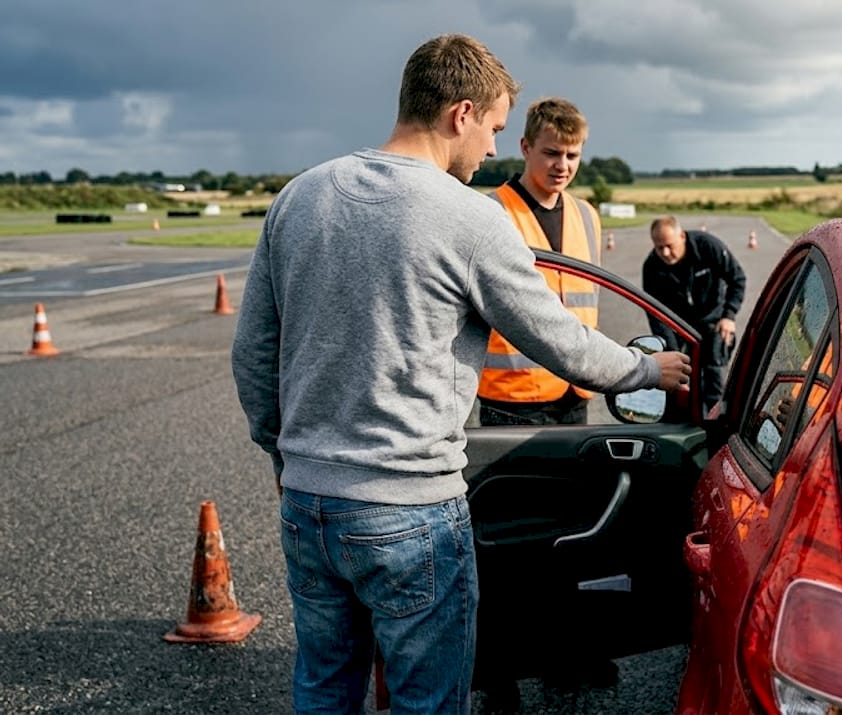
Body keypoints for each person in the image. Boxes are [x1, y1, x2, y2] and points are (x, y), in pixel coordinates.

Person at [230, 34, 691, 715]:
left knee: (325, 685)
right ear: (460, 114)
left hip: (307, 506)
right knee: (428, 699)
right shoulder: (469, 217)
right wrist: (647, 367)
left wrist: (281, 451)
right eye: (496, 129)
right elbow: (559, 340)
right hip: (410, 509)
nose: (494, 150)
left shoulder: (300, 197)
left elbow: (253, 355)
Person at [477, 97, 600, 427]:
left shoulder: (588, 216)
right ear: (526, 147)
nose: (563, 165)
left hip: (576, 390)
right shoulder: (492, 214)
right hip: (514, 399)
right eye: (551, 153)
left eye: (572, 155)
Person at [643, 216, 747, 415]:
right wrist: (671, 352)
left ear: (681, 236)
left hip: (713, 322)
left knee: (713, 378)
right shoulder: (652, 267)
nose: (664, 253)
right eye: (659, 247)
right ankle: (685, 425)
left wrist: (729, 316)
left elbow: (737, 279)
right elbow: (655, 314)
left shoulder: (708, 246)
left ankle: (715, 425)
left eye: (669, 245)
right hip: (679, 326)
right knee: (677, 380)